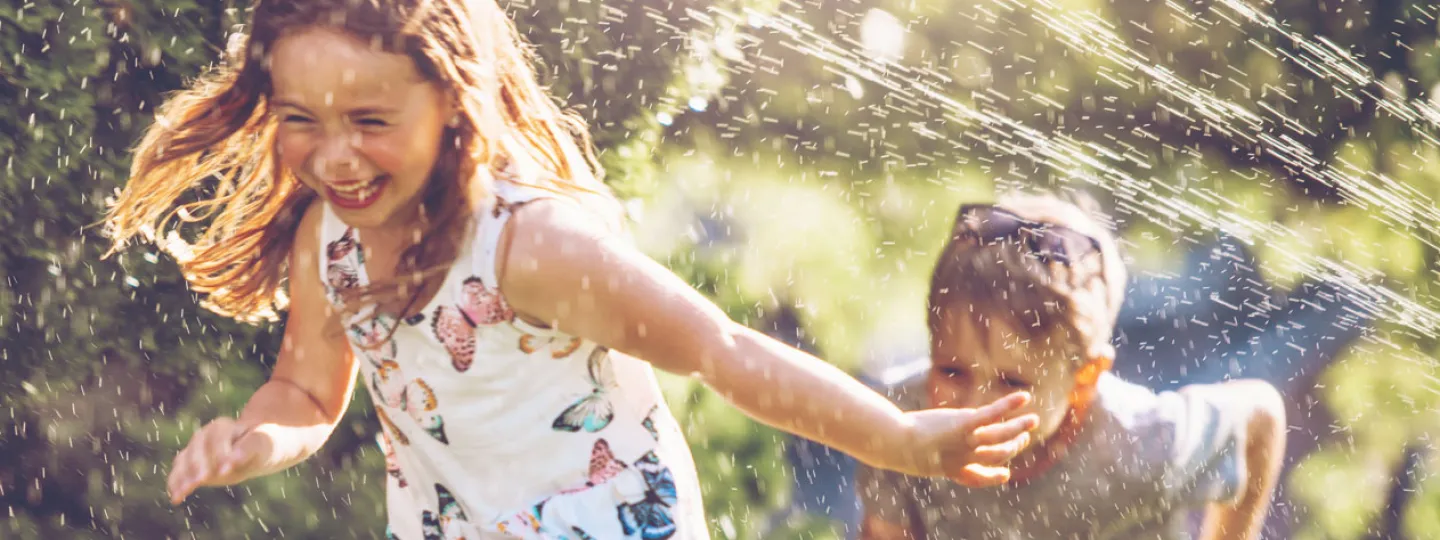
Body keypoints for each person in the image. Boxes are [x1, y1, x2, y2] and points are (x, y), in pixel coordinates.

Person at [103, 1, 1042, 538]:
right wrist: (256, 439)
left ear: (451, 99)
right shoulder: (329, 240)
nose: (335, 156)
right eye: (302, 119)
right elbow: (307, 390)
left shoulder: (531, 246)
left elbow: (718, 350)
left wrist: (897, 438)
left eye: (371, 121)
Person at [857, 193, 1287, 540]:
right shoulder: (900, 420)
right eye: (952, 370)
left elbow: (1261, 415)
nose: (974, 406)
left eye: (1012, 382)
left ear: (1084, 379)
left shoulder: (1143, 444)